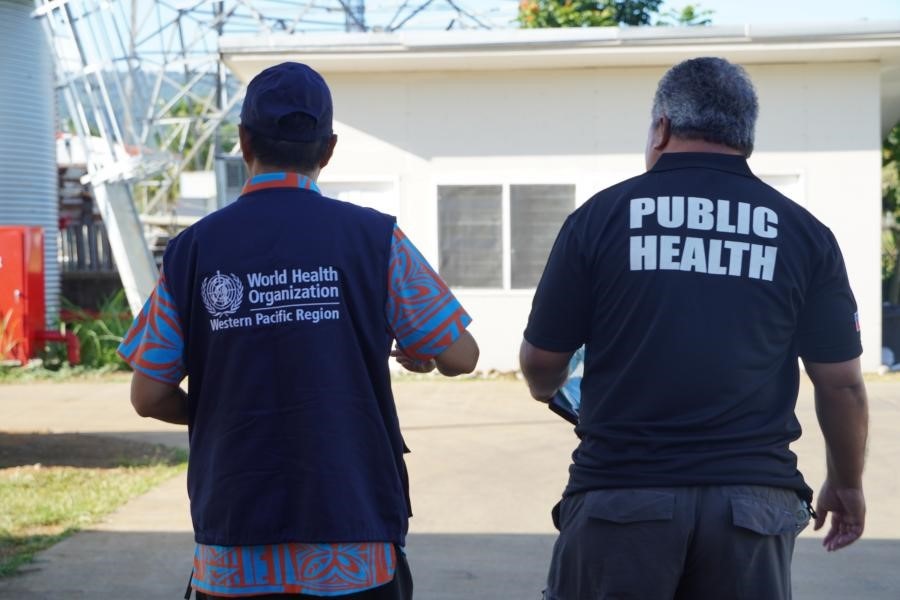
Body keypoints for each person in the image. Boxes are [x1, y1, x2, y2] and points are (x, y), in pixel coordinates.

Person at [118, 61, 479, 600]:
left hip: (233, 545)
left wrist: (226, 409)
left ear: (244, 141)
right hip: (353, 542)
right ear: (327, 150)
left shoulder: (192, 251)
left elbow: (148, 395)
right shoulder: (376, 240)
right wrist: (423, 356)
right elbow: (462, 356)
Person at [520, 56, 868, 600]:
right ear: (745, 137)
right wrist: (846, 483)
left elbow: (542, 361)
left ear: (661, 127)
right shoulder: (804, 233)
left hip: (622, 494)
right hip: (751, 504)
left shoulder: (600, 218)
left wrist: (553, 392)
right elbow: (842, 384)